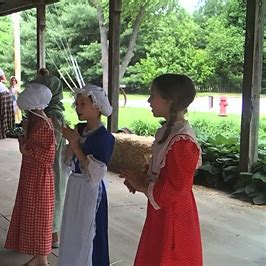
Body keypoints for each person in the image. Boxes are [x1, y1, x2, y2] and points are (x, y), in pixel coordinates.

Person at [119, 74, 203, 266]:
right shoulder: (169, 131)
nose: (149, 100)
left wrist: (143, 186)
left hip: (174, 214)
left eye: (152, 95)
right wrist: (141, 179)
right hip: (162, 210)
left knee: (169, 256)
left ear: (169, 101)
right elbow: (162, 170)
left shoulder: (183, 142)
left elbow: (176, 187)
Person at [59, 85, 115, 266]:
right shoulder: (80, 129)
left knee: (89, 234)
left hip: (90, 190)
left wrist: (75, 145)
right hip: (75, 187)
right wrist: (70, 143)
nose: (78, 108)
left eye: (83, 104)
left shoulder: (104, 138)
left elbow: (95, 174)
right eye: (76, 104)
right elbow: (69, 162)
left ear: (97, 107)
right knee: (72, 230)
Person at [5, 83, 56, 266]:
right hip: (31, 174)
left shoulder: (43, 123)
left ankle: (42, 259)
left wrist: (27, 151)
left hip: (39, 177)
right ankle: (38, 255)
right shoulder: (36, 120)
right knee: (31, 215)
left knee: (39, 217)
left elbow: (49, 156)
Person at [31, 68, 65, 247]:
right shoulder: (48, 110)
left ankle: (52, 236)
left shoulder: (54, 114)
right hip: (50, 162)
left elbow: (52, 142)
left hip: (53, 164)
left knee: (53, 198)